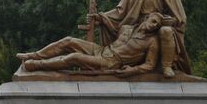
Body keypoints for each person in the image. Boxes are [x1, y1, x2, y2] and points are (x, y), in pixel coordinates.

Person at [95, 0, 189, 77]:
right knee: (124, 30)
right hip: (137, 23)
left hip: (158, 23)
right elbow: (121, 10)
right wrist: (101, 17)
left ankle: (167, 66)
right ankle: (112, 60)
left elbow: (179, 16)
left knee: (166, 31)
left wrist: (168, 20)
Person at [19, 12, 165, 74]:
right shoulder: (126, 28)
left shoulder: (151, 42)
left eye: (157, 25)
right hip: (102, 50)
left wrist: (133, 70)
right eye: (153, 21)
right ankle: (35, 55)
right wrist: (97, 18)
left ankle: (36, 65)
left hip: (110, 62)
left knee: (74, 57)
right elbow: (110, 28)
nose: (154, 26)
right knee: (68, 40)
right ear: (146, 18)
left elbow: (150, 65)